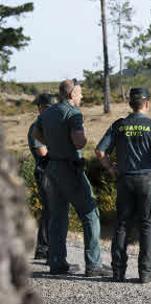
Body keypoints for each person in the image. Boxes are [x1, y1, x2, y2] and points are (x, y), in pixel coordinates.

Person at [95, 88, 151, 284]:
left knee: (122, 225)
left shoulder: (119, 126)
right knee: (147, 226)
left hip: (125, 180)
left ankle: (118, 272)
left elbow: (100, 151)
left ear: (130, 104)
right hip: (148, 181)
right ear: (147, 104)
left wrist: (111, 169)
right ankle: (145, 273)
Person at [34, 80, 110, 277]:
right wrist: (84, 139)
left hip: (52, 168)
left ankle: (57, 263)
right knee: (90, 213)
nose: (82, 97)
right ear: (70, 95)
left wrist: (53, 142)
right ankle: (93, 265)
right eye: (79, 93)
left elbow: (36, 134)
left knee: (58, 217)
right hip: (70, 167)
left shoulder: (47, 112)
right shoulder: (73, 113)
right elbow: (78, 142)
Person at [28, 93, 57, 260]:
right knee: (51, 211)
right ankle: (44, 248)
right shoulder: (36, 127)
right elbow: (42, 152)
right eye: (47, 108)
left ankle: (43, 247)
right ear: (40, 109)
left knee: (51, 211)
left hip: (51, 172)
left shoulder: (47, 125)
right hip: (44, 172)